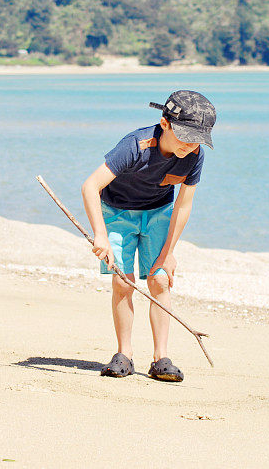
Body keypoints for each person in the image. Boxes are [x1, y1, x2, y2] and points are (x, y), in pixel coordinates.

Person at [81, 90, 216, 382]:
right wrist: (100, 235)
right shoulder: (135, 145)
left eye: (197, 140)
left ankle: (161, 358)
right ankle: (124, 355)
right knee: (123, 281)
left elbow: (183, 204)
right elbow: (90, 186)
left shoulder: (193, 156)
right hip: (117, 213)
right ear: (165, 124)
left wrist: (169, 252)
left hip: (158, 213)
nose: (190, 145)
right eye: (185, 137)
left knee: (160, 280)